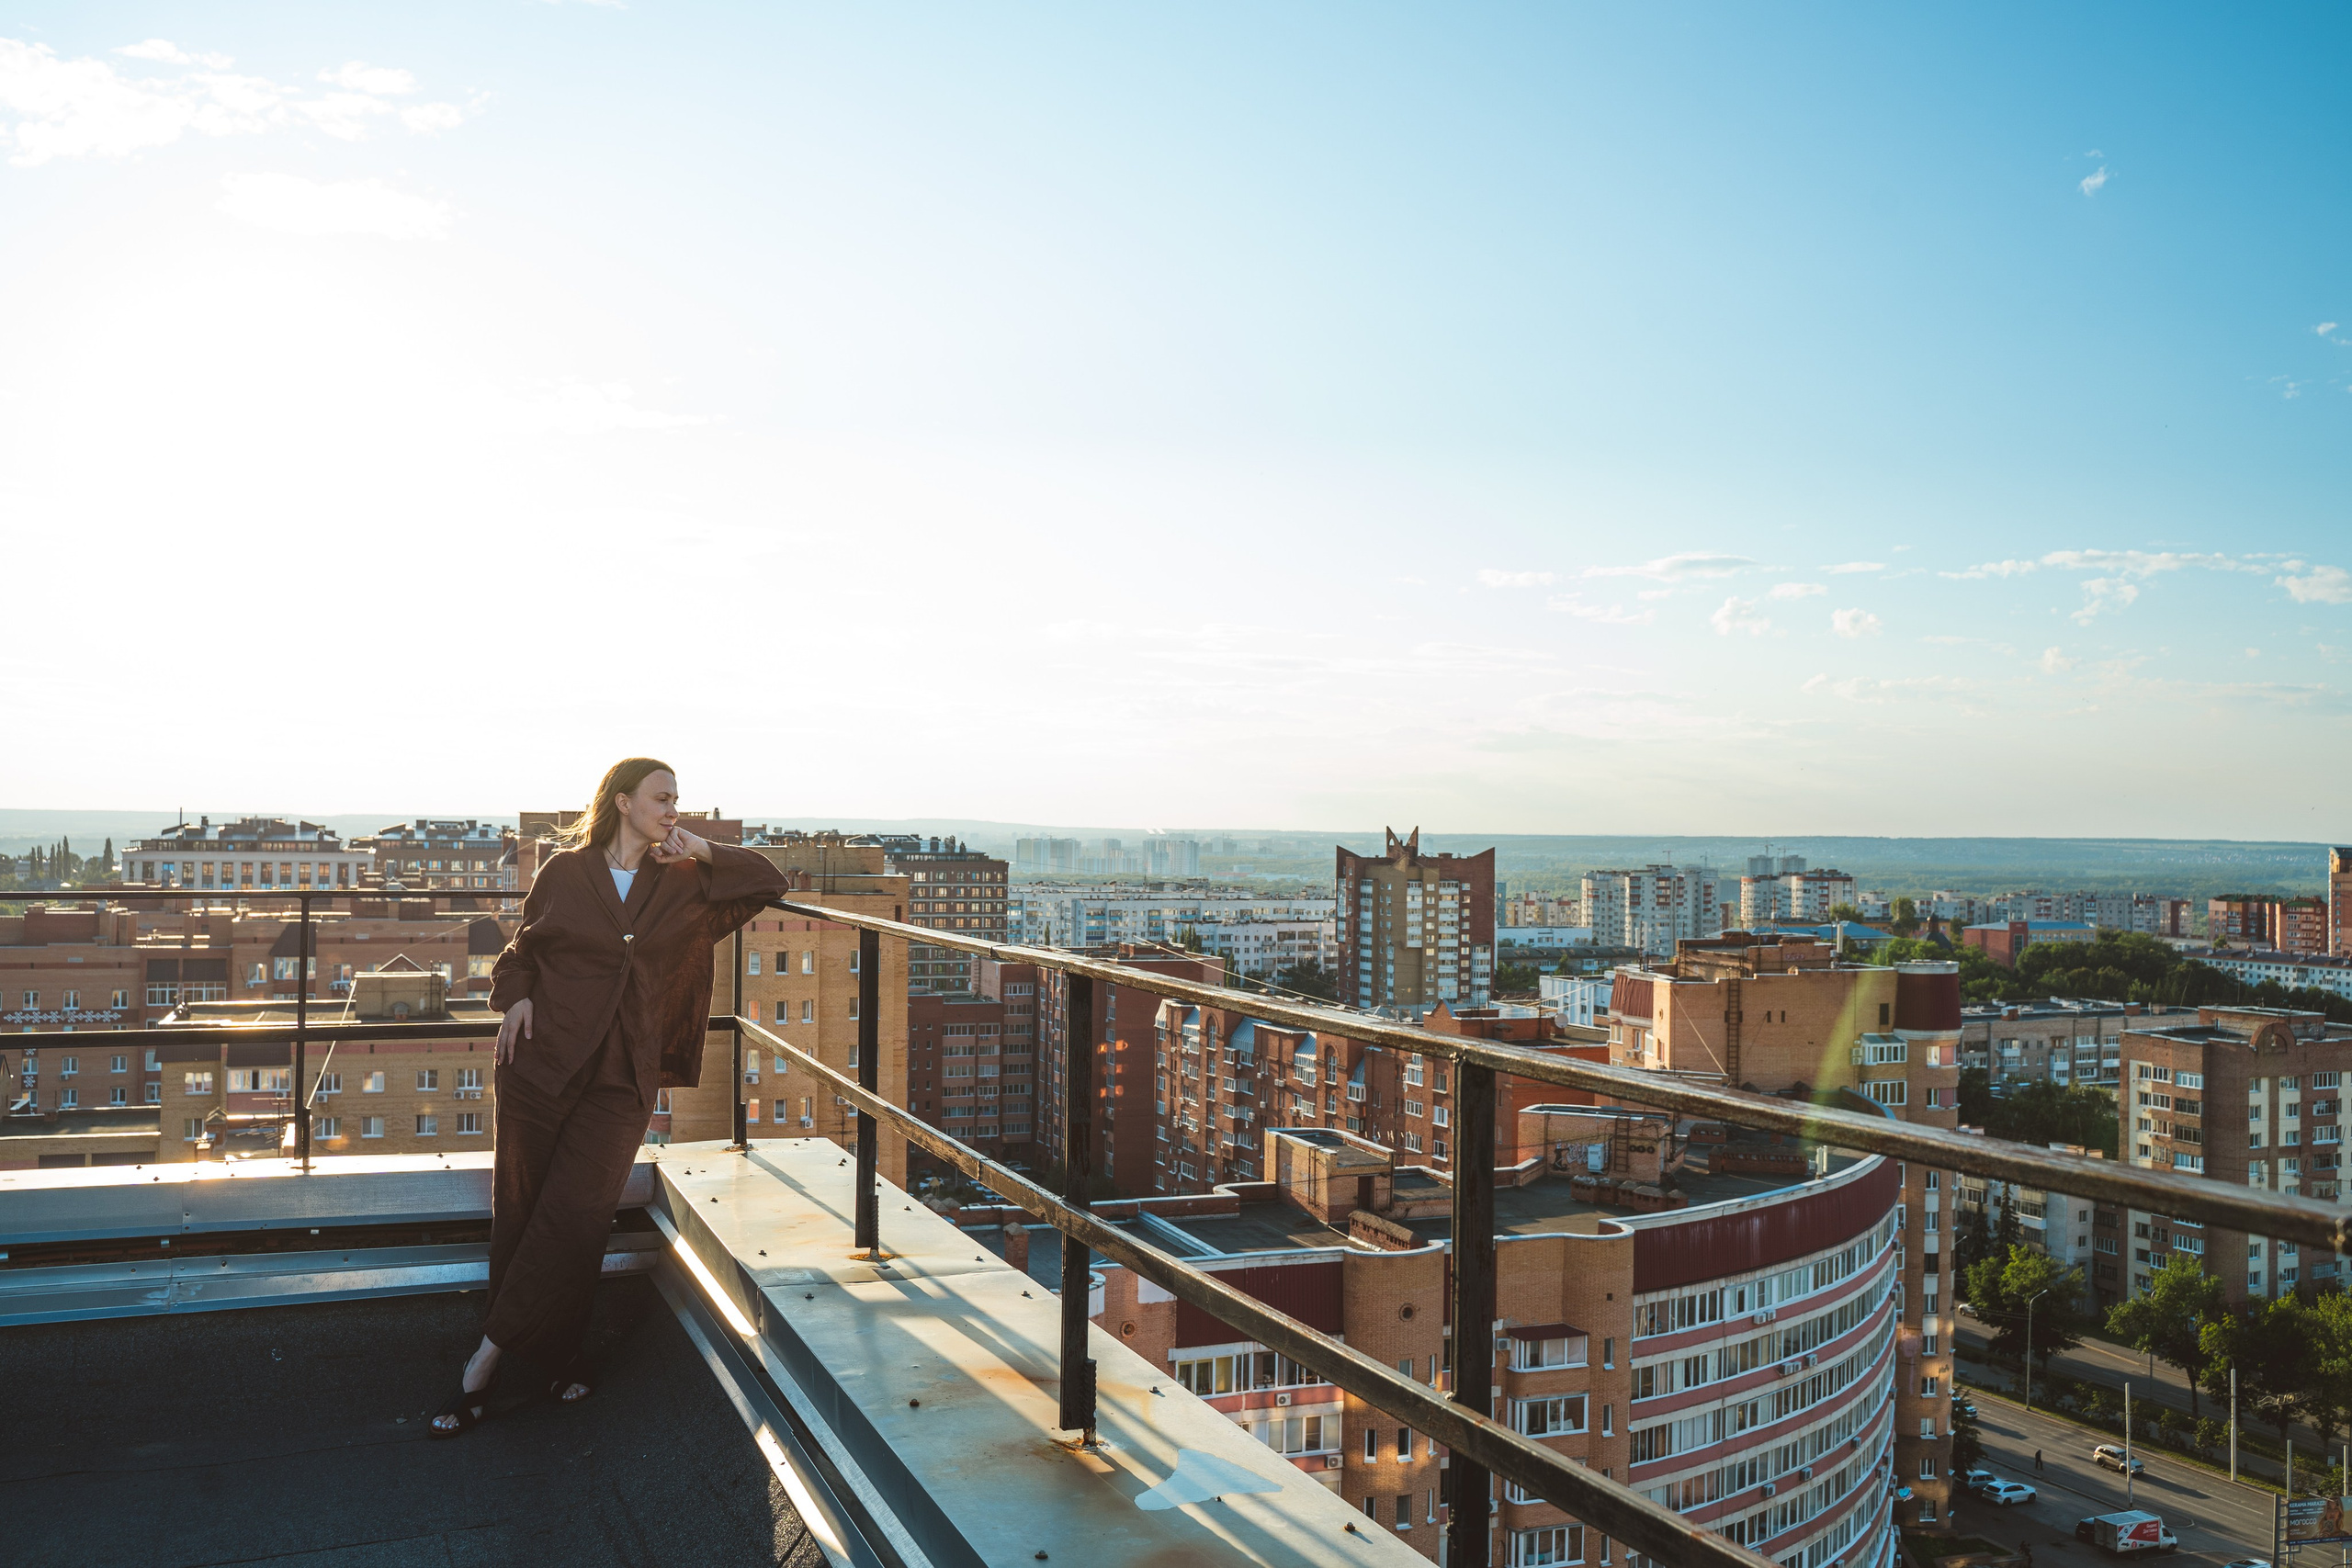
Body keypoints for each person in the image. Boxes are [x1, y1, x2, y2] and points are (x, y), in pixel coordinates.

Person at [432, 758, 786, 1436]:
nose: (674, 809)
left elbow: (770, 881)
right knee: (525, 1210)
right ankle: (561, 1358)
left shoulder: (684, 882)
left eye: (678, 800)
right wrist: (515, 999)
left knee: (576, 1212)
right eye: (662, 798)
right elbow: (522, 951)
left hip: (624, 1077)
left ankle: (483, 1361)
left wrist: (703, 848)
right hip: (540, 1064)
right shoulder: (565, 871)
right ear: (623, 802)